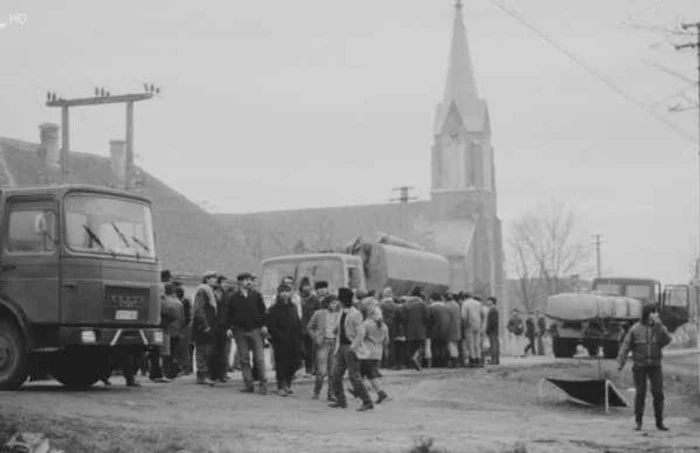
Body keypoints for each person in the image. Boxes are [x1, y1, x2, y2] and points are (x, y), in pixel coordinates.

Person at [618, 304, 672, 431]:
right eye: (654, 313)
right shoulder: (635, 329)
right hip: (640, 366)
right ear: (647, 314)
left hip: (655, 366)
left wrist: (658, 326)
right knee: (640, 393)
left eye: (656, 313)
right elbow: (625, 346)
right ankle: (638, 422)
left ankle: (659, 422)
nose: (656, 315)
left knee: (658, 394)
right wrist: (621, 362)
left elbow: (667, 340)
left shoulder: (659, 328)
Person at [328, 287, 374, 411]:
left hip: (349, 347)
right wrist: (336, 331)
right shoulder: (341, 312)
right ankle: (341, 400)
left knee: (354, 376)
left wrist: (353, 347)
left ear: (342, 300)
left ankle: (367, 401)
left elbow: (361, 333)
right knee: (335, 375)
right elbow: (341, 328)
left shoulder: (355, 313)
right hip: (341, 347)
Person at [229, 272, 268, 395]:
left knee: (259, 359)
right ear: (240, 282)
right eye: (246, 280)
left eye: (250, 280)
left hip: (255, 330)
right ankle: (248, 384)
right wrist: (229, 328)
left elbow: (263, 312)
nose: (249, 282)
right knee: (244, 359)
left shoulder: (256, 295)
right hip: (240, 331)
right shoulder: (233, 297)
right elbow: (228, 314)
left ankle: (263, 384)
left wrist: (264, 325)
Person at [266, 283, 302, 396]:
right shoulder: (274, 308)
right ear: (278, 293)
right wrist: (279, 337)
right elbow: (271, 326)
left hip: (294, 340)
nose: (285, 294)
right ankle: (281, 386)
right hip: (280, 341)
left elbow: (297, 323)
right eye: (283, 291)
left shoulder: (293, 307)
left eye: (287, 291)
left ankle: (287, 383)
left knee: (294, 363)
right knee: (281, 364)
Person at [307, 294, 341, 400]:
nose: (335, 305)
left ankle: (331, 394)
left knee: (333, 371)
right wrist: (316, 338)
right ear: (327, 303)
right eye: (333, 303)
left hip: (335, 343)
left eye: (336, 303)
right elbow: (310, 327)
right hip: (323, 343)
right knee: (322, 371)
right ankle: (316, 391)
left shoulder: (339, 314)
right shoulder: (319, 313)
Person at [357, 306, 390, 404]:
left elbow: (360, 337)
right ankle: (357, 391)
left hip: (366, 353)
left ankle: (381, 393)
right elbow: (386, 341)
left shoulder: (366, 324)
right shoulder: (384, 326)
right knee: (362, 373)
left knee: (370, 375)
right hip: (377, 353)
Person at [192, 271, 220, 385]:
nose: (215, 280)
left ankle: (204, 374)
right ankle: (201, 375)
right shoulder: (203, 291)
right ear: (207, 279)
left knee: (206, 350)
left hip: (208, 324)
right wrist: (205, 325)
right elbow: (199, 309)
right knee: (202, 350)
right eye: (213, 278)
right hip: (203, 326)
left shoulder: (210, 291)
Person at [461, 294, 482, 367]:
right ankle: (478, 358)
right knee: (477, 343)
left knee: (470, 344)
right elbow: (481, 314)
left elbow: (463, 316)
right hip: (478, 324)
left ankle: (472, 360)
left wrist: (464, 326)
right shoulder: (478, 303)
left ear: (464, 297)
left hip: (469, 325)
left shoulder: (465, 303)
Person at [485, 297, 500, 365]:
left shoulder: (493, 310)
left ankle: (494, 360)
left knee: (493, 346)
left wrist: (487, 329)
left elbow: (492, 322)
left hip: (492, 331)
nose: (487, 302)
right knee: (494, 345)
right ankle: (495, 360)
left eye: (488, 301)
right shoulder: (493, 309)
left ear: (492, 302)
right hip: (494, 330)